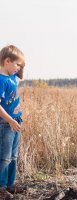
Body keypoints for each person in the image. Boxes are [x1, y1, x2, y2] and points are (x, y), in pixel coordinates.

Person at [0, 45, 25, 199]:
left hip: (15, 121)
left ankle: (11, 184)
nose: (18, 68)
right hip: (5, 123)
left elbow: (21, 76)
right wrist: (9, 120)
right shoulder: (1, 80)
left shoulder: (12, 77)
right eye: (16, 64)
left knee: (14, 155)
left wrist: (22, 64)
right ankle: (1, 187)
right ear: (7, 61)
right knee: (5, 156)